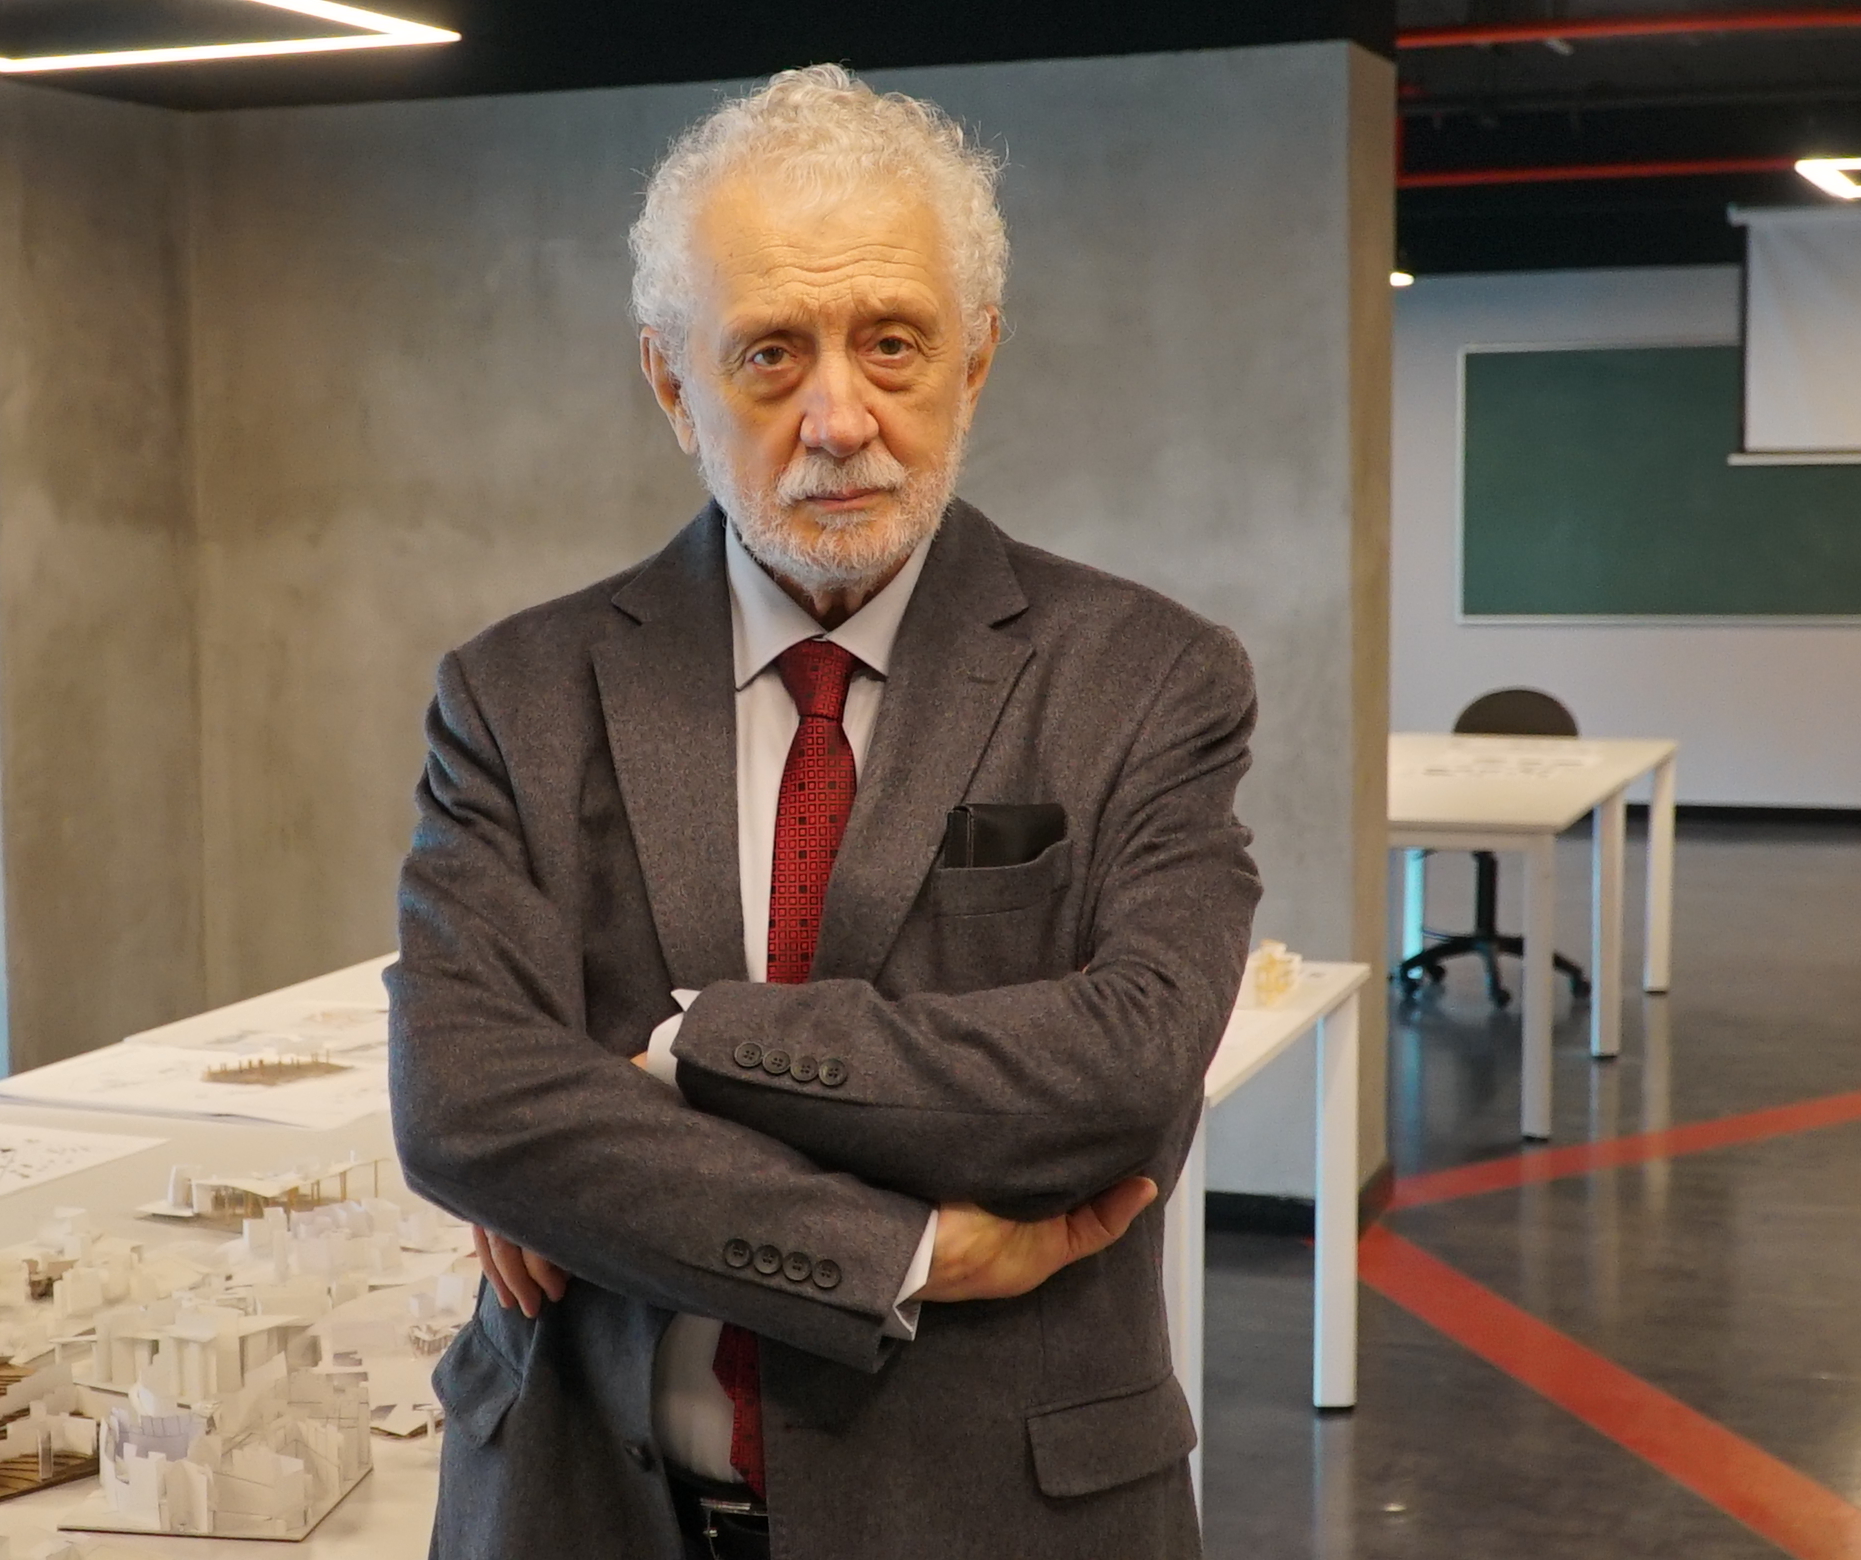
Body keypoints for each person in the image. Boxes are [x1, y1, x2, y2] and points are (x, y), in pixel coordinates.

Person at [387, 63, 1261, 1560]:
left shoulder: (1146, 678)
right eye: (770, 354)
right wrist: (902, 1246)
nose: (840, 418)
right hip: (589, 1505)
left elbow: (1125, 1070)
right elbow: (467, 1103)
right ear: (673, 383)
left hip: (1001, 1518)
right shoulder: (514, 695)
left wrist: (679, 1060)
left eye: (894, 344)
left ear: (976, 357)